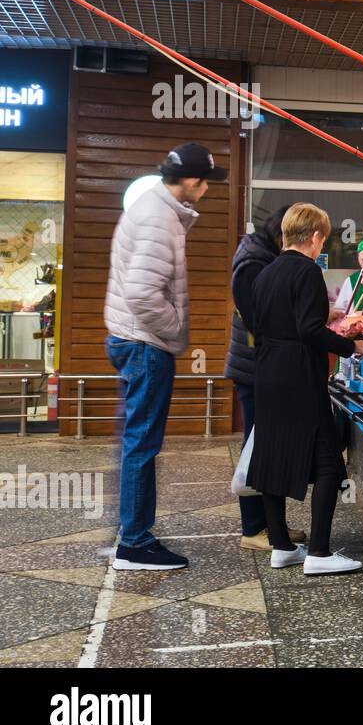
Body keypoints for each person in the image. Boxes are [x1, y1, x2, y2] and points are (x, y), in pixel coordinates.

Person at [104, 143, 227, 571]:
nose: (209, 188)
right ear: (193, 181)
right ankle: (135, 543)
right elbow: (141, 291)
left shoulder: (152, 208)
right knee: (142, 443)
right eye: (208, 180)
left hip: (131, 338)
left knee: (138, 442)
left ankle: (133, 534)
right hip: (144, 343)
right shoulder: (158, 217)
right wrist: (175, 329)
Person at [246, 203, 363, 575]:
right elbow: (307, 331)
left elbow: (277, 321)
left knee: (270, 456)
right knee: (329, 461)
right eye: (323, 238)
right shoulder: (308, 272)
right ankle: (318, 552)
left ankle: (281, 546)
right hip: (299, 375)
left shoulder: (265, 274)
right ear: (315, 237)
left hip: (267, 372)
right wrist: (351, 347)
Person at [224, 204, 308, 552]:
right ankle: (254, 527)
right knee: (258, 447)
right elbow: (261, 321)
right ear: (281, 236)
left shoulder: (261, 255)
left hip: (263, 366)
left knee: (269, 445)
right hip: (255, 369)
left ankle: (275, 525)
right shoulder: (252, 265)